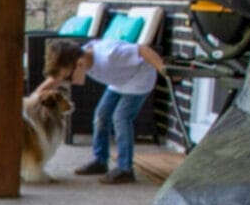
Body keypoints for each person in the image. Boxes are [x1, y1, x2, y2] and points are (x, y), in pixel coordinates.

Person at [39, 37, 166, 184]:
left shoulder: (109, 55)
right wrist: (34, 97)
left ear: (79, 64)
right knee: (101, 116)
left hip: (139, 79)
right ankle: (100, 161)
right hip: (118, 81)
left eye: (68, 77)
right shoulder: (80, 58)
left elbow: (143, 49)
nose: (67, 82)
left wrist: (164, 70)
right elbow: (56, 78)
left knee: (121, 118)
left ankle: (125, 169)